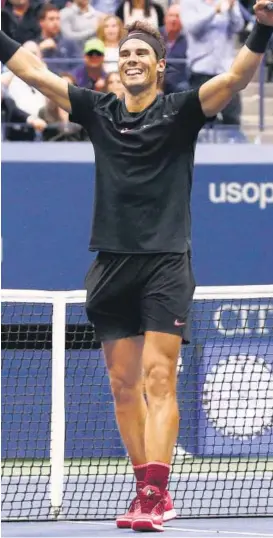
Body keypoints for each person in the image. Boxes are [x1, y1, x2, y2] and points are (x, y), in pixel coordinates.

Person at [0, 2, 272, 531]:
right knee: (123, 385)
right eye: (124, 53)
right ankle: (143, 487)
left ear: (159, 66)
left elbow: (237, 75)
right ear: (117, 64)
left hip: (167, 262)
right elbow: (31, 70)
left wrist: (262, 25)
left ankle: (155, 494)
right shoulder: (97, 110)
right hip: (110, 265)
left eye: (141, 53)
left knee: (158, 376)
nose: (131, 59)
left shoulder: (183, 110)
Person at [182, 0, 245, 125]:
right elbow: (192, 27)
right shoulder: (188, 2)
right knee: (198, 121)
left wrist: (232, 9)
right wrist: (215, 10)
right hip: (200, 70)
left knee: (232, 119)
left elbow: (238, 26)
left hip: (226, 70)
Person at [37, 4, 81, 74]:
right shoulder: (34, 44)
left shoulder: (69, 43)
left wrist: (70, 77)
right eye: (51, 19)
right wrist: (39, 49)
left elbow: (79, 66)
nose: (56, 22)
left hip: (66, 82)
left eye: (58, 19)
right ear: (41, 22)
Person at [160, 4, 188, 93]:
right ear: (165, 18)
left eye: (177, 16)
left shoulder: (188, 39)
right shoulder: (155, 35)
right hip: (157, 80)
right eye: (171, 15)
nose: (173, 19)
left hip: (178, 82)